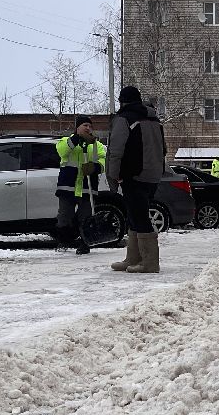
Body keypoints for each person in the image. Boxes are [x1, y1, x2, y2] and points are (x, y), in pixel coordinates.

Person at [106, 86, 168, 274]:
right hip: (153, 175)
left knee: (139, 216)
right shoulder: (155, 120)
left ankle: (149, 263)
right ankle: (133, 258)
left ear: (122, 101)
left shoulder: (124, 119)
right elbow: (164, 149)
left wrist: (113, 176)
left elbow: (115, 150)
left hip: (133, 174)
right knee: (134, 214)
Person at [54, 115, 107, 254]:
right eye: (85, 125)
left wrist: (95, 167)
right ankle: (63, 241)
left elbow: (104, 160)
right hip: (68, 186)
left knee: (86, 217)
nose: (88, 128)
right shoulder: (66, 141)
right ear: (77, 127)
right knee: (65, 216)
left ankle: (85, 243)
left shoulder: (96, 145)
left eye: (90, 126)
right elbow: (63, 151)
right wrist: (77, 138)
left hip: (87, 187)